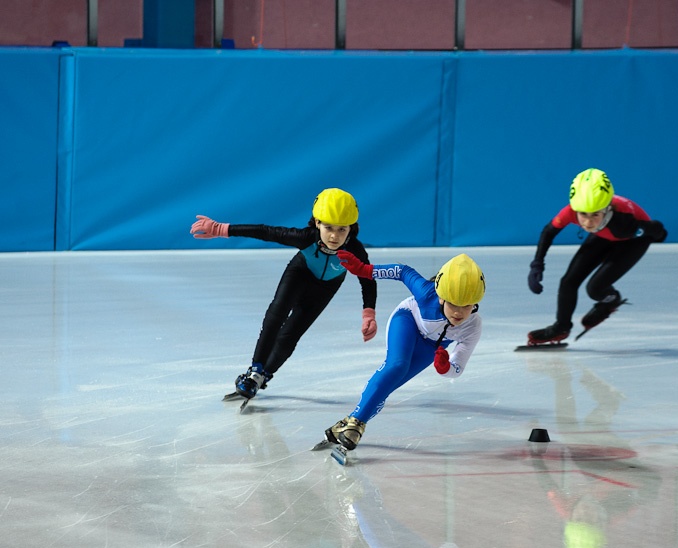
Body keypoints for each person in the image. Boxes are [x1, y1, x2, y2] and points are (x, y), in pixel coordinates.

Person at [190, 188, 378, 400]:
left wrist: (368, 313)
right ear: (317, 223)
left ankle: (265, 376)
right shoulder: (306, 238)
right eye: (328, 228)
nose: (334, 236)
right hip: (300, 273)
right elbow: (266, 232)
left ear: (351, 229)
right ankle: (254, 372)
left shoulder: (355, 250)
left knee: (291, 334)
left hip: (326, 287)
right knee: (275, 316)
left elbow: (367, 279)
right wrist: (222, 229)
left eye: (342, 229)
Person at [322, 251, 486, 450]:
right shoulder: (427, 294)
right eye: (453, 303)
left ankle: (347, 423)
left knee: (390, 385)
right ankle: (356, 424)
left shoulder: (473, 326)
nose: (459, 312)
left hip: (433, 346)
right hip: (408, 320)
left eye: (467, 306)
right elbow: (402, 271)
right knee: (397, 366)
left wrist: (445, 368)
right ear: (442, 298)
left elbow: (457, 367)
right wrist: (364, 270)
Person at [527, 168, 667, 345]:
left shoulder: (624, 220)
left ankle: (611, 299)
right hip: (603, 234)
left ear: (607, 209)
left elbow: (657, 230)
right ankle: (561, 327)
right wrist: (537, 264)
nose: (587, 222)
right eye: (583, 214)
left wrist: (656, 233)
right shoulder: (572, 210)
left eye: (595, 215)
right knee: (568, 281)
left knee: (595, 289)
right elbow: (549, 232)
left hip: (632, 241)